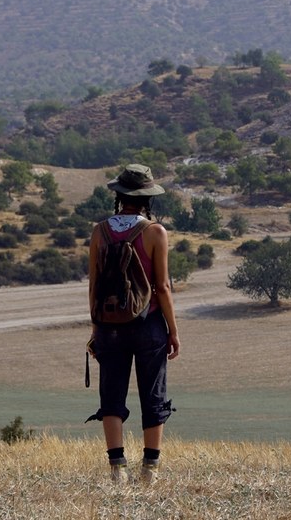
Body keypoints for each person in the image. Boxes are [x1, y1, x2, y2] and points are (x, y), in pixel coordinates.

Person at [86, 163, 181, 483]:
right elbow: (163, 286)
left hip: (109, 324)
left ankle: (118, 469)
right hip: (148, 322)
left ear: (120, 196)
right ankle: (149, 471)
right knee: (153, 394)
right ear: (147, 199)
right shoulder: (155, 232)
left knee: (111, 395)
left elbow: (94, 284)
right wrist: (173, 330)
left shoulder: (100, 231)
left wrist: (96, 327)